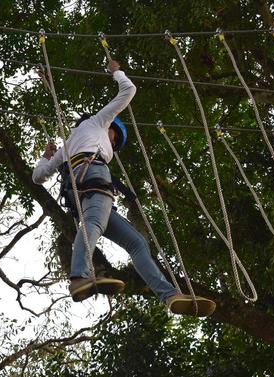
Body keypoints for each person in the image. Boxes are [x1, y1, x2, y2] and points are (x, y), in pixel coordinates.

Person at [32, 60, 215, 317]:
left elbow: (38, 176)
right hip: (92, 176)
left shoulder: (68, 147)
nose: (113, 143)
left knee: (137, 242)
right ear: (110, 128)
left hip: (83, 189)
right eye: (114, 137)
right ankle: (80, 276)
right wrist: (116, 71)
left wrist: (45, 157)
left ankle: (170, 295)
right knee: (94, 222)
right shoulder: (97, 122)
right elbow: (128, 90)